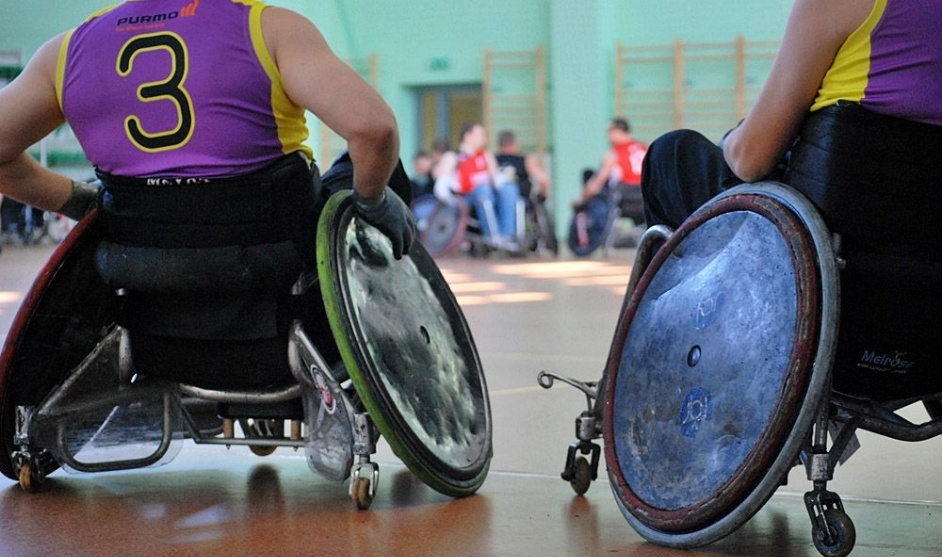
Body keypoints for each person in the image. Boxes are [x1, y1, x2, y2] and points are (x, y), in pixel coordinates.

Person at [0, 0, 417, 478]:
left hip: (151, 313)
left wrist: (84, 203)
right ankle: (392, 359)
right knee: (380, 174)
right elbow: (373, 129)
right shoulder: (269, 28)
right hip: (282, 299)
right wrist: (374, 201)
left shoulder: (66, 52)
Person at [641, 0, 942, 230]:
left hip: (828, 244)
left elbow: (751, 159)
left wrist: (733, 139)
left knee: (671, 155)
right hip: (925, 248)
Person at [436, 121, 521, 248]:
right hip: (465, 198)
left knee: (509, 188)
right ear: (467, 136)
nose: (485, 139)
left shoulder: (486, 156)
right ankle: (493, 236)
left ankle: (507, 236)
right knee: (483, 189)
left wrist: (507, 180)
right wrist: (452, 203)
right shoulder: (453, 156)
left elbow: (497, 180)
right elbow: (441, 187)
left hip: (489, 195)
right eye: (481, 135)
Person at [570, 117, 647, 253]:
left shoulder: (613, 154)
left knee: (602, 196)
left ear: (616, 131)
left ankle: (603, 243)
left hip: (624, 199)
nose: (607, 136)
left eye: (609, 131)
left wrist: (580, 200)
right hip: (646, 199)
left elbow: (595, 186)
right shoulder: (644, 148)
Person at [495, 129, 551, 203]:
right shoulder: (525, 161)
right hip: (522, 202)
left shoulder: (493, 161)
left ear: (499, 145)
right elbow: (544, 180)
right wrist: (541, 197)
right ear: (515, 143)